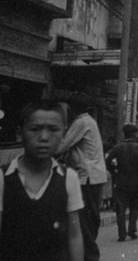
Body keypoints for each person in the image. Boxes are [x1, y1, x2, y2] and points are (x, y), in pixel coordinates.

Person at [0, 99, 84, 261]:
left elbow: (74, 235)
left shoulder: (69, 179)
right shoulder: (3, 179)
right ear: (20, 133)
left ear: (63, 134)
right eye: (35, 129)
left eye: (53, 129)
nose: (44, 137)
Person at [57, 98, 107, 261]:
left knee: (84, 221)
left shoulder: (81, 122)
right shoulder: (90, 121)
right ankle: (89, 254)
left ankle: (89, 255)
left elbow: (62, 145)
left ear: (72, 110)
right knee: (90, 219)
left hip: (87, 177)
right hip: (94, 176)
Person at [105, 123, 138, 242]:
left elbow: (107, 161)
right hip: (136, 182)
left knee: (121, 208)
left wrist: (114, 171)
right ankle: (132, 230)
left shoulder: (117, 148)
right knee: (135, 207)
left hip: (121, 181)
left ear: (124, 134)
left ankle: (121, 234)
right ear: (135, 134)